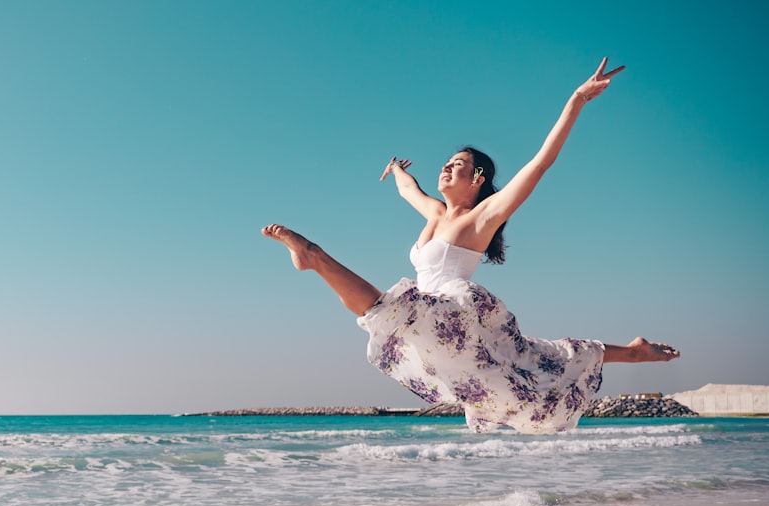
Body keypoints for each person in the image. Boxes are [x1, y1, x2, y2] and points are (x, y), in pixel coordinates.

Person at [262, 58, 679, 435]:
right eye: (446, 162)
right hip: (435, 318)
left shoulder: (483, 216)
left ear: (477, 178)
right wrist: (395, 170)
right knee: (543, 357)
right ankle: (635, 351)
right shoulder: (434, 214)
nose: (446, 166)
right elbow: (410, 191)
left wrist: (576, 101)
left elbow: (540, 163)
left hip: (456, 313)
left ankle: (312, 255)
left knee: (386, 312)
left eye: (457, 164)